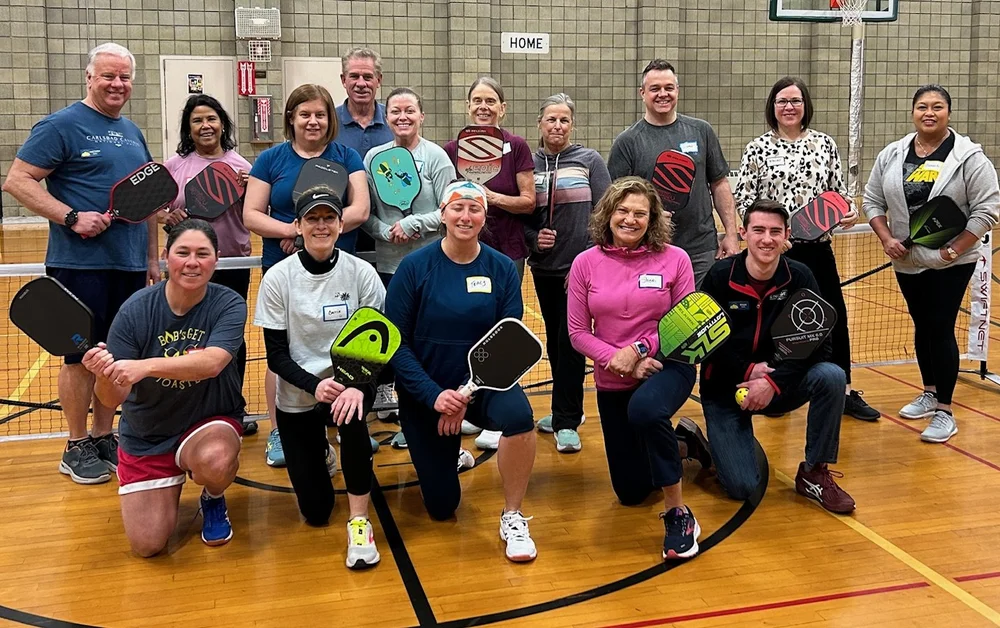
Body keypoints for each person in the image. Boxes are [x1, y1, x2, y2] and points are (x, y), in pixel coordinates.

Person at [2, 43, 159, 485]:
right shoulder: (60, 125)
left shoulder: (132, 131)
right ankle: (75, 444)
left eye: (124, 77)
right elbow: (17, 180)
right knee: (80, 356)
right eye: (108, 76)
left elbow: (145, 199)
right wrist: (70, 216)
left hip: (128, 265)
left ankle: (104, 434)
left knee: (115, 355)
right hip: (79, 265)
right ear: (89, 78)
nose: (117, 84)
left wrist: (151, 258)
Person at [385, 181, 539, 563]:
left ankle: (513, 514)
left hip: (483, 386)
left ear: (485, 216)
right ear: (443, 213)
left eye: (474, 209)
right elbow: (396, 345)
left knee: (520, 418)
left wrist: (462, 399)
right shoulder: (414, 267)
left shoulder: (501, 268)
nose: (465, 216)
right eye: (458, 208)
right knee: (442, 506)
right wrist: (435, 396)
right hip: (428, 392)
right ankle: (448, 456)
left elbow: (509, 339)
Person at [567, 177, 712, 559]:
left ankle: (679, 513)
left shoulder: (675, 259)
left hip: (667, 365)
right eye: (623, 211)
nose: (630, 219)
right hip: (612, 375)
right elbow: (578, 333)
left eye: (640, 214)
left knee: (646, 410)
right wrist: (619, 360)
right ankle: (683, 444)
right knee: (631, 493)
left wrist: (640, 349)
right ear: (608, 214)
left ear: (653, 220)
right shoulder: (585, 263)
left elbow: (685, 322)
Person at [80, 220, 245, 556]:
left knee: (216, 460)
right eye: (183, 253)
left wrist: (145, 366)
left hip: (208, 421)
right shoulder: (135, 310)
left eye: (203, 254)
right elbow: (113, 398)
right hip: (149, 432)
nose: (192, 262)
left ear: (216, 259)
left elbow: (212, 363)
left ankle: (213, 497)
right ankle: (162, 483)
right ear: (166, 256)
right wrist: (103, 375)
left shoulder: (228, 303)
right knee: (148, 546)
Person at [734, 76, 879, 422]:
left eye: (796, 101)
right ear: (772, 107)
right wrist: (768, 236)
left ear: (805, 106)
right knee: (774, 322)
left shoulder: (825, 145)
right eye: (782, 101)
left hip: (817, 251)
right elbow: (744, 198)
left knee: (834, 319)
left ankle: (843, 390)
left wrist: (848, 211)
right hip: (774, 253)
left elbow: (839, 194)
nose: (789, 107)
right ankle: (774, 387)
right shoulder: (757, 148)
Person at [244, 83, 373, 467]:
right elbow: (252, 214)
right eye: (304, 114)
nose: (312, 121)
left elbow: (360, 209)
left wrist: (318, 237)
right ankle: (280, 432)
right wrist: (294, 232)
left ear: (329, 119)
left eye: (320, 114)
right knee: (285, 354)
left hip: (339, 267)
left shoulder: (346, 155)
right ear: (290, 119)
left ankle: (343, 424)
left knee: (339, 347)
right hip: (284, 270)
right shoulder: (271, 159)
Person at [254, 188, 384, 570]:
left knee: (353, 419)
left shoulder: (361, 273)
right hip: (300, 389)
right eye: (312, 218)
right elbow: (276, 354)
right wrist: (315, 385)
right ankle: (320, 451)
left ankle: (360, 521)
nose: (322, 225)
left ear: (342, 225)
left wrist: (355, 387)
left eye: (329, 218)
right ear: (298, 226)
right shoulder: (278, 278)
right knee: (316, 511)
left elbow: (375, 343)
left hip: (350, 381)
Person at [863, 84, 1000, 443]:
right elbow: (872, 200)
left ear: (948, 113)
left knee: (939, 327)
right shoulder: (893, 153)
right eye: (922, 106)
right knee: (922, 326)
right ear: (913, 112)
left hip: (951, 261)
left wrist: (953, 250)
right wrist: (886, 238)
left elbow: (987, 210)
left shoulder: (969, 157)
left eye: (937, 106)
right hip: (907, 260)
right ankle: (929, 390)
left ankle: (945, 411)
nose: (929, 112)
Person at [700, 200, 855, 514]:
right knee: (742, 487)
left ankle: (814, 472)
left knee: (831, 375)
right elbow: (708, 343)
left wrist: (771, 381)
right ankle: (702, 444)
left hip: (779, 384)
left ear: (787, 236)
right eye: (758, 230)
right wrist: (749, 369)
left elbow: (818, 346)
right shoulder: (719, 276)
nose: (766, 239)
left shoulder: (800, 277)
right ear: (743, 233)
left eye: (775, 231)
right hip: (725, 391)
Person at [444, 77, 536, 451]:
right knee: (462, 326)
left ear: (503, 107)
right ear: (468, 107)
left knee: (504, 331)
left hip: (507, 252)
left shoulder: (515, 147)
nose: (484, 106)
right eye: (477, 100)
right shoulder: (452, 149)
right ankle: (466, 405)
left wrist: (490, 197)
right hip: (460, 253)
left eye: (491, 101)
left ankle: (498, 414)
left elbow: (528, 200)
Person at [361, 87, 456, 448]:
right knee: (397, 342)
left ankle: (435, 410)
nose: (403, 117)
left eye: (410, 110)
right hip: (389, 265)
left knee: (427, 341)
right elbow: (366, 212)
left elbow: (449, 207)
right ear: (387, 117)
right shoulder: (374, 157)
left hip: (431, 264)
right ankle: (407, 416)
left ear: (422, 115)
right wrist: (383, 230)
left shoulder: (436, 157)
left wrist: (415, 223)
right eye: (396, 111)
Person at [524, 93, 611, 453]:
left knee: (571, 343)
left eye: (564, 120)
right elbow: (520, 218)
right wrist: (533, 238)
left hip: (580, 272)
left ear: (572, 125)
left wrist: (592, 258)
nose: (557, 126)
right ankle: (564, 410)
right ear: (540, 124)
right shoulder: (527, 163)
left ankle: (566, 421)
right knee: (558, 347)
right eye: (551, 119)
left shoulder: (589, 160)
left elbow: (608, 212)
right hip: (544, 269)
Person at [163, 94, 253, 428]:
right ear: (189, 127)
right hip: (188, 266)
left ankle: (232, 406)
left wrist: (249, 191)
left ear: (222, 124)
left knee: (229, 337)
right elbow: (160, 211)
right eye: (198, 120)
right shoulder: (176, 166)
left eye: (212, 119)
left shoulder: (242, 167)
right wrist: (168, 217)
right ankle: (192, 407)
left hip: (232, 263)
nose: (205, 126)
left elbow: (254, 216)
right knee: (188, 335)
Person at [607, 59, 739, 286]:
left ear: (677, 90)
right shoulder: (627, 142)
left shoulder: (702, 131)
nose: (663, 94)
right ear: (642, 93)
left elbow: (719, 184)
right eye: (655, 89)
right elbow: (614, 202)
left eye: (669, 88)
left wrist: (731, 233)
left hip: (700, 250)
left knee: (698, 319)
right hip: (648, 249)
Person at [335, 46, 394, 256]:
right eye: (354, 76)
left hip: (388, 230)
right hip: (340, 229)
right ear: (343, 80)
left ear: (379, 80)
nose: (361, 83)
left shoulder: (395, 122)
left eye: (368, 77)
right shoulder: (327, 124)